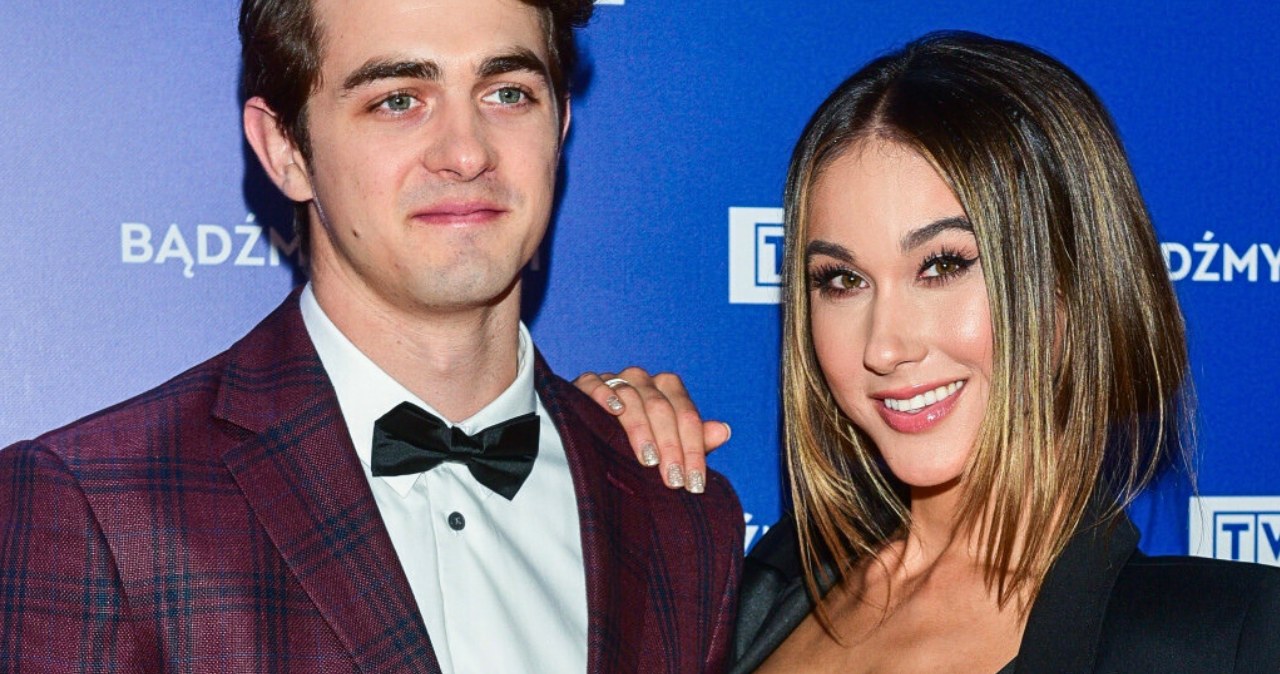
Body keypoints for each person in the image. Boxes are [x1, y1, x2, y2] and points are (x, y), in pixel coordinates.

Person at [0, 0, 742, 671]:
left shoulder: (677, 515)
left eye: (507, 93)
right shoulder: (96, 505)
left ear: (562, 123)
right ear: (285, 149)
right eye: (398, 100)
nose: (466, 152)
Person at [584, 32, 1280, 673]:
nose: (884, 346)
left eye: (943, 266)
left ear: (1071, 286)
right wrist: (576, 474)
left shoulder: (1227, 639)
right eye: (842, 280)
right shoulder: (755, 589)